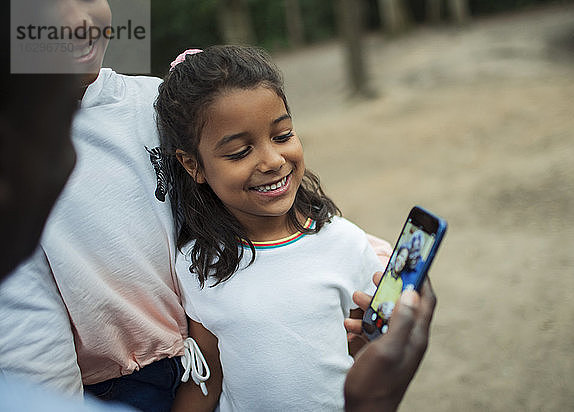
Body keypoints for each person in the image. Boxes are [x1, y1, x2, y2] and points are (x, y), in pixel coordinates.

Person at [0, 2, 436, 411]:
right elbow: (26, 320)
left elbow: (292, 223)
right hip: (112, 383)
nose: (78, 18)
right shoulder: (19, 148)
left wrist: (370, 257)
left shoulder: (156, 104)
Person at [155, 45, 385, 411]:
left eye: (282, 135)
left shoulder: (347, 244)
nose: (273, 160)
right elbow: (207, 378)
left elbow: (374, 358)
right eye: (239, 152)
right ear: (192, 165)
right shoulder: (197, 265)